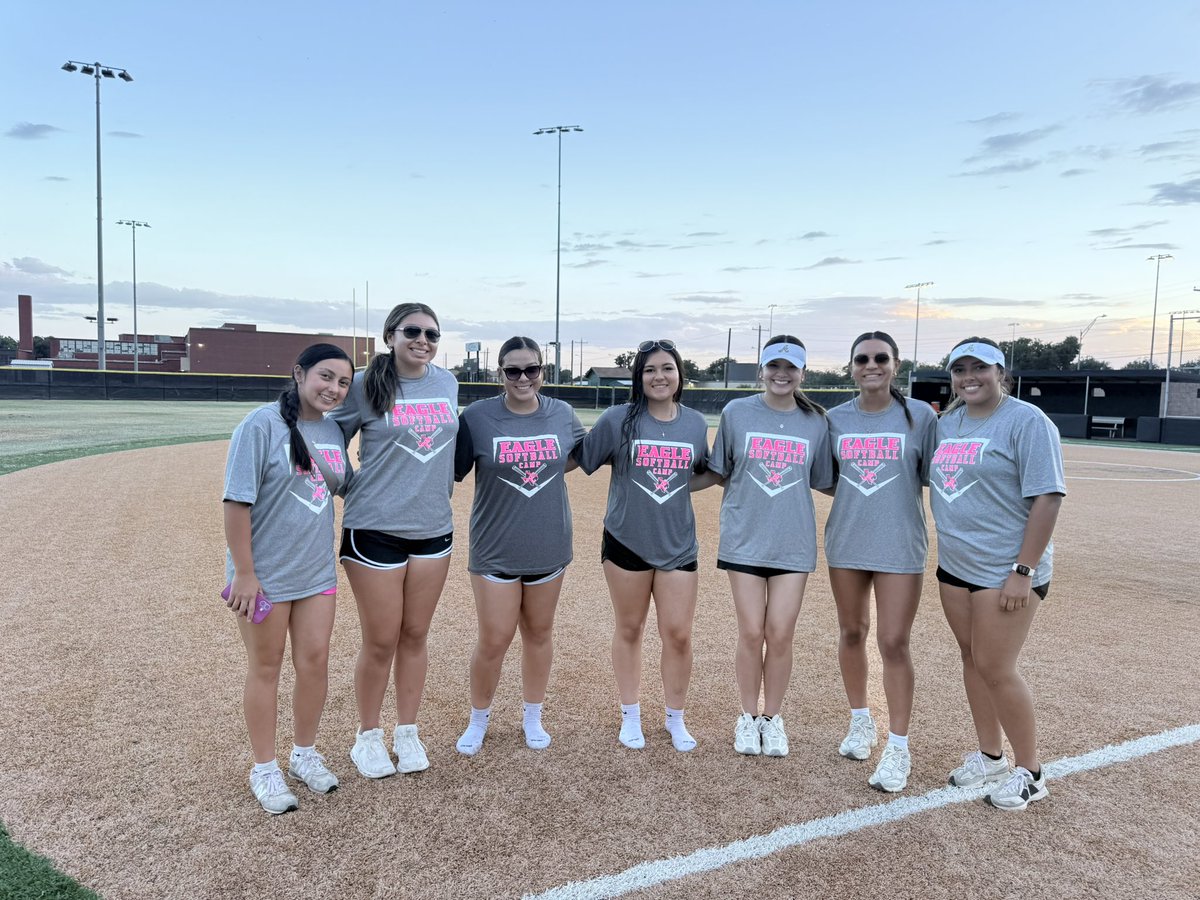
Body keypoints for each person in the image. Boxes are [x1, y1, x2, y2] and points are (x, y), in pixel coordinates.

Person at [930, 336, 1065, 811]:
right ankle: (990, 756)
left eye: (980, 368)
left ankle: (1030, 772)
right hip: (956, 566)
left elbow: (1047, 497)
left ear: (999, 372)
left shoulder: (1026, 421)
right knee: (971, 658)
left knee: (996, 666)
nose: (969, 376)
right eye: (959, 369)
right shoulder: (947, 424)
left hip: (1006, 570)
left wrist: (1022, 570)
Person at [222, 343, 354, 814]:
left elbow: (344, 484)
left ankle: (303, 753)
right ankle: (264, 768)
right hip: (266, 575)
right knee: (266, 666)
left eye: (343, 382)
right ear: (298, 374)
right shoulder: (261, 425)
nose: (333, 389)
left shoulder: (334, 430)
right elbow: (237, 501)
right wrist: (244, 573)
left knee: (314, 662)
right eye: (325, 376)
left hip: (315, 571)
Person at [330, 303, 459, 779]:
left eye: (431, 333)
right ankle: (367, 737)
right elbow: (328, 438)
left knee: (415, 634)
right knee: (381, 639)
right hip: (375, 527)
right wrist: (349, 484)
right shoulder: (365, 383)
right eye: (412, 331)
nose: (422, 340)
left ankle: (407, 731)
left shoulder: (446, 383)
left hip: (432, 526)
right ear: (390, 336)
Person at [452, 337, 586, 755]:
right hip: (496, 545)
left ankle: (532, 716)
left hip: (548, 543)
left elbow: (575, 455)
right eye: (513, 370)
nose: (523, 378)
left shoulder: (561, 413)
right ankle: (479, 718)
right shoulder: (476, 417)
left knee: (539, 633)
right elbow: (451, 471)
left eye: (531, 369)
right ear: (500, 374)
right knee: (494, 637)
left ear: (543, 372)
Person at [575, 339, 711, 751]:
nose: (659, 377)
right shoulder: (619, 419)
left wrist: (674, 484)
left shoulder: (694, 423)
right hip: (626, 539)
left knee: (678, 634)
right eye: (650, 369)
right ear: (639, 377)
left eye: (667, 368)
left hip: (677, 543)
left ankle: (675, 718)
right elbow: (583, 459)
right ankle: (630, 715)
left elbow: (702, 473)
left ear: (679, 375)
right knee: (630, 628)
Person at [706, 335, 833, 758]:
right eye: (774, 366)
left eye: (791, 367)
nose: (782, 374)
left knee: (780, 633)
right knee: (751, 630)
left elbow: (823, 478)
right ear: (761, 371)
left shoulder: (816, 420)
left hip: (793, 542)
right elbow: (720, 470)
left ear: (802, 373)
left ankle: (772, 718)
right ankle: (747, 716)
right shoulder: (737, 412)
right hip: (744, 537)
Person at [824, 332, 937, 792]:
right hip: (847, 541)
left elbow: (936, 474)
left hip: (899, 545)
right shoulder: (833, 419)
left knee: (894, 641)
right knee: (852, 632)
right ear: (850, 367)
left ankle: (898, 746)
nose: (872, 365)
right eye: (862, 359)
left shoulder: (922, 416)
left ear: (895, 364)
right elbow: (827, 478)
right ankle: (859, 721)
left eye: (881, 358)